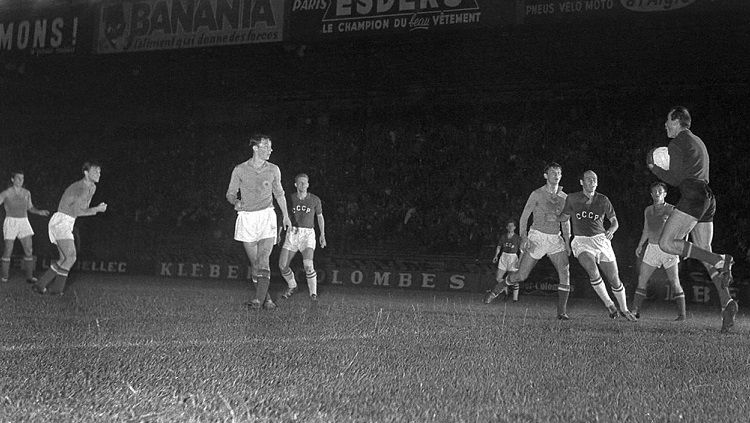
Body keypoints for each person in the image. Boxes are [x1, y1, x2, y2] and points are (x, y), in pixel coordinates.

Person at [648, 106, 735, 332]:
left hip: (693, 196)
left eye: (668, 121)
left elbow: (675, 179)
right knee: (704, 251)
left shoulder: (676, 143)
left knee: (666, 243)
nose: (665, 125)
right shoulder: (697, 141)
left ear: (677, 121)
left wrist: (654, 168)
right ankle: (727, 303)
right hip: (707, 196)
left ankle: (721, 259)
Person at [484, 162, 572, 320]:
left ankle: (561, 312)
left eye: (559, 172)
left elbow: (566, 221)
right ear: (545, 176)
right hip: (536, 237)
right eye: (553, 172)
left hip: (554, 239)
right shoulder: (537, 194)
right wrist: (524, 237)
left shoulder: (565, 197)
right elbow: (524, 216)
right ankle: (497, 289)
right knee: (521, 276)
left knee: (565, 271)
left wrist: (567, 240)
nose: (556, 175)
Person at [559, 170, 637, 321]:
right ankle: (609, 304)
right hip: (582, 241)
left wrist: (612, 229)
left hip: (601, 241)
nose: (592, 181)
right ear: (581, 182)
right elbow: (564, 217)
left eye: (594, 179)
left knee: (614, 279)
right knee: (592, 269)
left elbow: (614, 222)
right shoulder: (572, 198)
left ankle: (624, 309)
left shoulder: (603, 200)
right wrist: (553, 214)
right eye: (588, 179)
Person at [226, 134, 291, 310]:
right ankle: (267, 298)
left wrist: (285, 215)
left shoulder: (274, 169)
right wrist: (236, 201)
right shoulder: (239, 169)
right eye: (266, 146)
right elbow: (230, 193)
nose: (271, 150)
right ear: (255, 148)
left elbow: (279, 193)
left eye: (270, 147)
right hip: (247, 218)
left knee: (263, 260)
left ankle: (257, 300)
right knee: (255, 264)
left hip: (267, 216)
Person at [32, 162, 107, 296]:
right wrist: (97, 209)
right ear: (86, 173)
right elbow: (78, 211)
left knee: (63, 259)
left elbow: (80, 209)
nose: (98, 174)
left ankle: (40, 285)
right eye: (95, 171)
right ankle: (56, 290)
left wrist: (94, 209)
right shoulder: (81, 188)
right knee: (71, 257)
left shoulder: (92, 187)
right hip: (62, 221)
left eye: (100, 172)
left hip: (66, 221)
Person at [632, 182, 685, 320]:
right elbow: (646, 230)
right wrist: (640, 245)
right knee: (642, 279)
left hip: (667, 249)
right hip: (652, 248)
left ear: (665, 194)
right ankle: (635, 311)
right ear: (651, 194)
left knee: (674, 281)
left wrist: (679, 245)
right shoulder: (648, 210)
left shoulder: (672, 210)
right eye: (654, 191)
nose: (657, 193)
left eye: (660, 191)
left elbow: (682, 229)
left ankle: (682, 315)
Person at [278, 173, 326, 301]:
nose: (303, 185)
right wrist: (279, 233)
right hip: (292, 233)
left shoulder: (315, 200)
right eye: (300, 182)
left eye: (305, 182)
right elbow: (284, 217)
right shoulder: (290, 199)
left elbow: (320, 217)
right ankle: (292, 286)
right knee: (283, 266)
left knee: (308, 266)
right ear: (296, 184)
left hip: (307, 234)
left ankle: (313, 293)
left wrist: (322, 234)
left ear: (308, 185)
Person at [0, 171, 50, 283]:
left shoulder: (27, 192)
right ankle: (4, 276)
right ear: (12, 179)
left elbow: (30, 208)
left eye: (22, 179)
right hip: (11, 221)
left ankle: (29, 276)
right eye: (18, 178)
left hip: (24, 221)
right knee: (8, 249)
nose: (21, 181)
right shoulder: (6, 193)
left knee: (29, 249)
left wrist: (39, 212)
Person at [486, 220, 521, 302]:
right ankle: (506, 292)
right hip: (504, 256)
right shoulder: (503, 237)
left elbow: (522, 250)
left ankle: (515, 299)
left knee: (513, 278)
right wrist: (496, 255)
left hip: (513, 257)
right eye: (509, 226)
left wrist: (520, 260)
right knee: (498, 278)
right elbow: (499, 246)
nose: (510, 227)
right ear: (506, 227)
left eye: (512, 226)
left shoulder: (517, 238)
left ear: (515, 227)